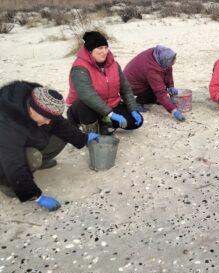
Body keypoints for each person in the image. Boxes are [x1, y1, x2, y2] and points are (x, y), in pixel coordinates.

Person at [0, 81, 99, 211]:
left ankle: (41, 162)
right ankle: (7, 184)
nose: (48, 122)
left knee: (61, 136)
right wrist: (37, 196)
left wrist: (84, 138)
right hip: (4, 157)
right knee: (32, 157)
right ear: (32, 109)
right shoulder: (7, 121)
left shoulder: (44, 103)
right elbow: (13, 162)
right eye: (46, 118)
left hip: (24, 140)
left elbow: (61, 125)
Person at [66, 31, 143, 134]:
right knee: (83, 106)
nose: (104, 52)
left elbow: (125, 89)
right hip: (86, 108)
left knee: (135, 121)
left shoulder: (114, 65)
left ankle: (103, 123)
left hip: (109, 107)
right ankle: (90, 129)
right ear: (90, 51)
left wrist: (133, 109)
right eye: (100, 48)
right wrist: (110, 114)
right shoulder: (79, 68)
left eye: (106, 48)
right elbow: (87, 95)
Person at [124, 45, 185, 122]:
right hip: (131, 85)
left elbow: (168, 70)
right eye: (170, 63)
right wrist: (174, 111)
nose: (172, 65)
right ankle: (138, 103)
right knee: (155, 94)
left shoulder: (159, 54)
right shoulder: (151, 69)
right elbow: (160, 92)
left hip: (141, 78)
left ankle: (160, 101)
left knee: (160, 88)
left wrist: (171, 86)